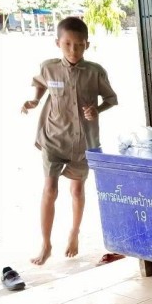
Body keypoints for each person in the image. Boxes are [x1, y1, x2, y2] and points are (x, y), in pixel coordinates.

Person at [21, 16, 118, 265]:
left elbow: (111, 99)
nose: (73, 50)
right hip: (53, 138)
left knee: (76, 189)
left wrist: (97, 110)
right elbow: (41, 84)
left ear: (87, 44)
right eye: (67, 44)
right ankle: (46, 244)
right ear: (58, 43)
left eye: (79, 45)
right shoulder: (49, 68)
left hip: (83, 141)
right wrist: (34, 100)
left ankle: (74, 233)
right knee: (50, 189)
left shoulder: (95, 72)